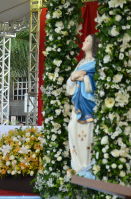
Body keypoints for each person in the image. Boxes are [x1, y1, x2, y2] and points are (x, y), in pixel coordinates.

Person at [66, 34, 99, 179]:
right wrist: (73, 78)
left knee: (87, 136)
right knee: (72, 129)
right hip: (77, 104)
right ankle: (78, 166)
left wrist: (84, 78)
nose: (84, 42)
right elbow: (70, 84)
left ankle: (87, 167)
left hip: (89, 105)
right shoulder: (81, 62)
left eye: (87, 40)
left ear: (94, 44)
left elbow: (97, 84)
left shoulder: (96, 63)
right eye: (84, 40)